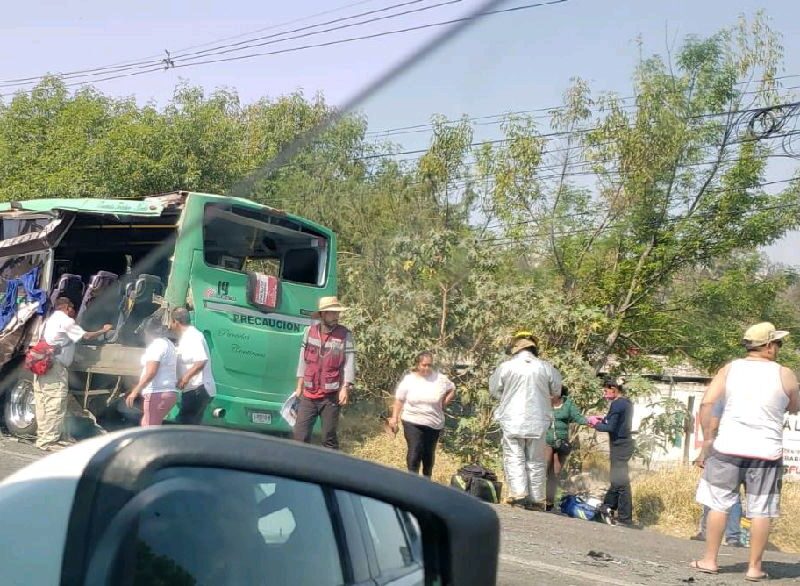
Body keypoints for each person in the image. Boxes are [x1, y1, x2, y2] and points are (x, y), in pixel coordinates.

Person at [691, 322, 799, 581]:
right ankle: (754, 567)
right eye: (778, 344)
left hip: (727, 447)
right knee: (761, 509)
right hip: (766, 453)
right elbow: (795, 406)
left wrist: (708, 440)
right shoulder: (785, 374)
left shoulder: (730, 369)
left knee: (718, 504)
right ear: (770, 347)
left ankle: (709, 560)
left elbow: (707, 402)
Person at [489, 333, 562, 510]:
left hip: (512, 419)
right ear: (534, 348)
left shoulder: (506, 367)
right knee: (536, 459)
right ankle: (537, 499)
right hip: (538, 420)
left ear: (516, 348)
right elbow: (557, 391)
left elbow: (494, 391)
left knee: (514, 456)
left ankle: (519, 494)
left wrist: (507, 396)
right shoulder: (546, 367)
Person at [33, 297, 112, 451]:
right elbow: (86, 336)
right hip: (55, 368)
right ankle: (48, 441)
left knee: (42, 402)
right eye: (73, 307)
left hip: (42, 364)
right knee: (55, 403)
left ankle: (43, 437)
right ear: (67, 308)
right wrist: (104, 330)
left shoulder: (49, 320)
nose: (74, 311)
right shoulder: (66, 321)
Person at [292, 297, 356, 450]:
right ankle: (299, 468)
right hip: (309, 393)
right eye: (332, 313)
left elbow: (349, 362)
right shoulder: (309, 332)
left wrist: (345, 387)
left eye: (337, 313)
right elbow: (303, 360)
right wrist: (299, 385)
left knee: (328, 437)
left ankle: (330, 468)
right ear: (322, 314)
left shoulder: (345, 335)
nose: (336, 316)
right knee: (300, 435)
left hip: (331, 396)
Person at [388, 351, 456, 478]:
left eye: (429, 365)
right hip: (412, 420)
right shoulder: (409, 380)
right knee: (415, 451)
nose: (426, 368)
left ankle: (426, 482)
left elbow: (452, 388)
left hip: (433, 422)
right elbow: (399, 399)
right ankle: (413, 482)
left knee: (428, 455)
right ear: (417, 365)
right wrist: (394, 418)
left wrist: (444, 402)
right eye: (424, 365)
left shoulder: (440, 379)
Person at [691, 398, 742, 547]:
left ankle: (707, 532)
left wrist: (704, 454)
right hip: (742, 453)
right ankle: (733, 537)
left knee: (713, 492)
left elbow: (711, 430)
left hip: (721, 451)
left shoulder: (722, 400)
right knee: (734, 495)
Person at [589, 380, 635, 527]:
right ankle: (607, 507)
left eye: (606, 391)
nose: (604, 394)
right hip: (624, 444)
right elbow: (614, 421)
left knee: (621, 482)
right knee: (616, 480)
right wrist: (602, 419)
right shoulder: (626, 403)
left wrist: (595, 424)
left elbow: (611, 427)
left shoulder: (617, 404)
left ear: (614, 389)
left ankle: (625, 518)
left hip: (619, 445)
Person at [125, 320, 179, 426]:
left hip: (157, 393)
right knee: (148, 424)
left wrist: (135, 391)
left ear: (147, 332)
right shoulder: (168, 344)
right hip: (167, 392)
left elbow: (151, 372)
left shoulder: (156, 346)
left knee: (149, 428)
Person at [170, 307, 216, 425]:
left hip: (197, 390)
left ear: (176, 321)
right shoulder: (187, 337)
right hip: (193, 390)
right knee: (190, 425)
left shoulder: (193, 336)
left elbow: (201, 361)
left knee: (182, 424)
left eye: (171, 322)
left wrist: (185, 378)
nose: (170, 326)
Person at [544, 386, 587, 511]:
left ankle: (549, 502)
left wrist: (591, 421)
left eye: (552, 394)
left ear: (559, 394)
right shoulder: (544, 403)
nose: (549, 396)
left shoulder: (568, 404)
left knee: (555, 473)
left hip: (561, 442)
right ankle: (535, 497)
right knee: (543, 468)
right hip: (546, 440)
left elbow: (578, 417)